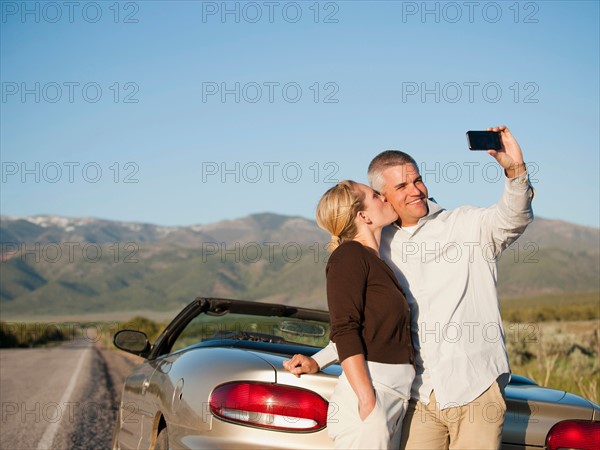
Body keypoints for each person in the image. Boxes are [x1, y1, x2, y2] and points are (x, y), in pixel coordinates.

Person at [283, 126, 534, 449]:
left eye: (417, 180)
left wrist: (514, 169)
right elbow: (366, 325)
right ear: (382, 198)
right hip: (418, 396)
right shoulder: (376, 249)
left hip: (474, 388)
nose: (416, 190)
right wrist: (321, 360)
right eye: (401, 185)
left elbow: (514, 217)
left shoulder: (466, 225)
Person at [304, 180, 415, 449]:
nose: (386, 198)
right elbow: (344, 328)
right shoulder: (349, 255)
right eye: (376, 195)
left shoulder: (377, 262)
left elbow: (365, 329)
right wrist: (367, 400)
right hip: (371, 399)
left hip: (394, 397)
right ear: (363, 216)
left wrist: (317, 361)